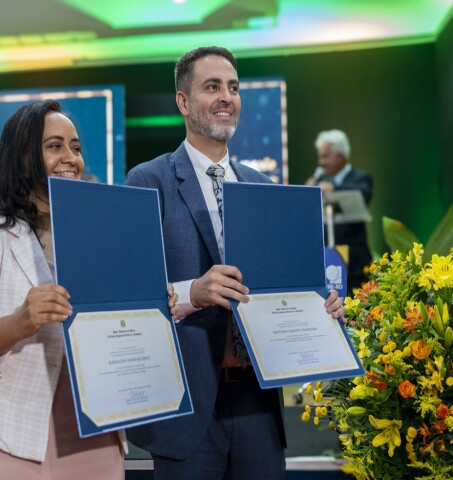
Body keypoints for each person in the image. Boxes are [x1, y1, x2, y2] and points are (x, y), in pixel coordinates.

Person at [125, 46, 345, 480]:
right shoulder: (148, 181)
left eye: (233, 87)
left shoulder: (263, 185)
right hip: (186, 411)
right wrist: (193, 293)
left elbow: (288, 289)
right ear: (183, 102)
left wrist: (321, 308)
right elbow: (129, 299)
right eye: (212, 87)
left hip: (258, 405)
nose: (226, 96)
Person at [0, 99, 179, 480]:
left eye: (76, 147)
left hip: (99, 432)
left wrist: (155, 310)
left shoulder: (103, 234)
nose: (70, 157)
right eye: (54, 146)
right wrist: (18, 321)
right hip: (14, 439)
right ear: (24, 157)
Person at [305, 129, 373, 294]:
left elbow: (363, 193)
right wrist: (306, 192)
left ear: (340, 156)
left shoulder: (361, 178)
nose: (321, 162)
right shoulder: (321, 182)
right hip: (328, 262)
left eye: (325, 156)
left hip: (355, 267)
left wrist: (333, 188)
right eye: (320, 157)